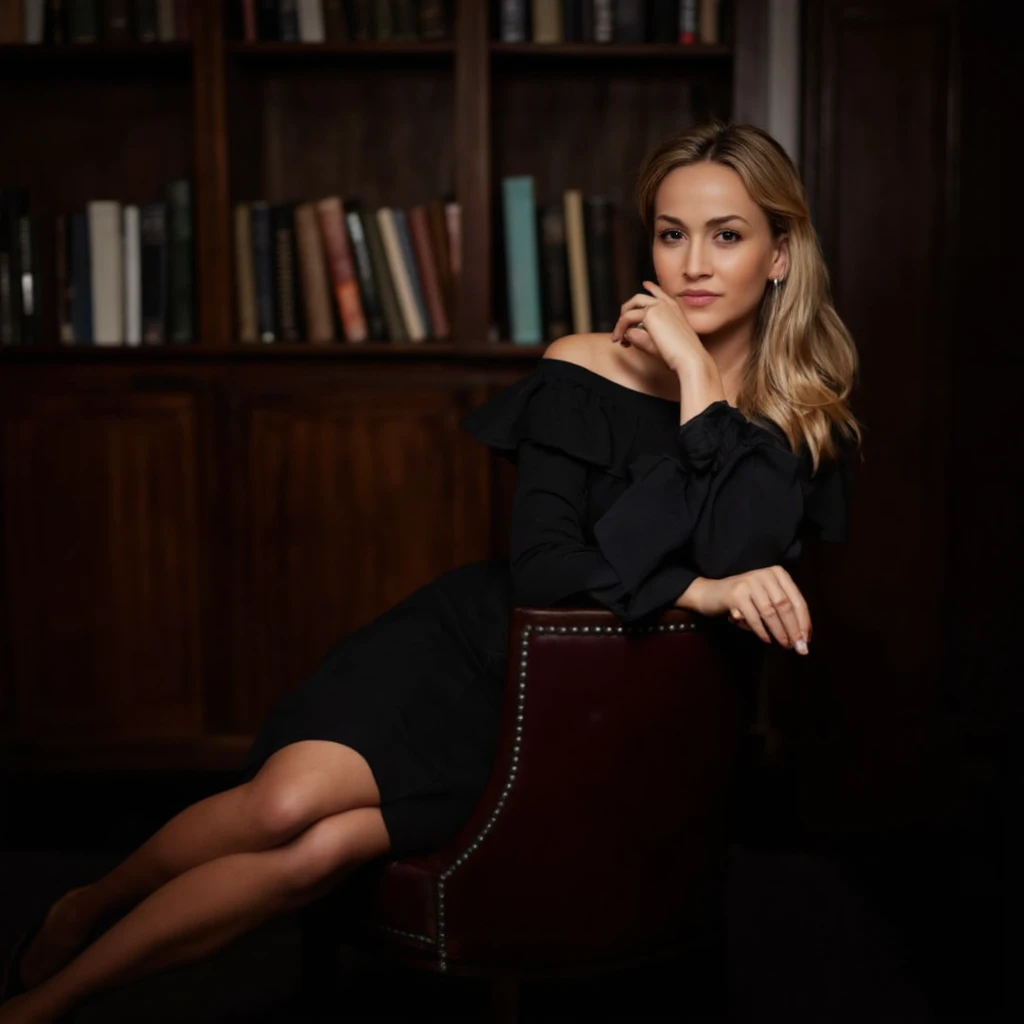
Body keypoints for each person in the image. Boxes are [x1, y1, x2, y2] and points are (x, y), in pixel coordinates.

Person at [0, 120, 861, 1022]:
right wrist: (698, 590)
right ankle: (85, 910)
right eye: (670, 233)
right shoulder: (582, 366)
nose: (692, 263)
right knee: (284, 808)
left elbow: (739, 552)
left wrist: (697, 385)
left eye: (726, 235)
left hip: (588, 724)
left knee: (314, 856)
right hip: (473, 654)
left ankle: (46, 1006)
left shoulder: (801, 424)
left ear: (779, 253)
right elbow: (543, 567)